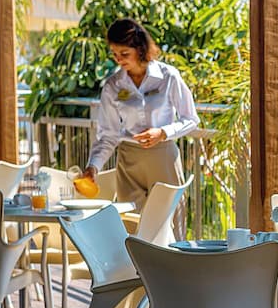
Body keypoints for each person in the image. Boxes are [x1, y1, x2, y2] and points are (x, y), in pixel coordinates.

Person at [82, 19, 197, 218]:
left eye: (124, 53)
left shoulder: (168, 76)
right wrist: (93, 166)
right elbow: (108, 135)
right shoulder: (113, 86)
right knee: (131, 224)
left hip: (163, 158)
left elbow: (191, 119)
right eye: (114, 54)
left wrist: (163, 133)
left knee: (168, 224)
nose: (119, 59)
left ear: (141, 49)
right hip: (129, 163)